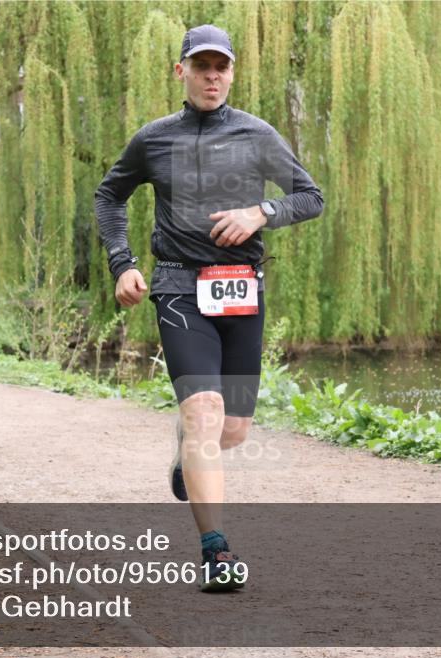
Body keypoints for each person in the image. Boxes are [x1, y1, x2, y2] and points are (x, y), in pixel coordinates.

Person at [95, 25, 323, 591]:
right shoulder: (153, 139)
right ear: (182, 72)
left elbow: (310, 196)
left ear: (233, 73)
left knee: (233, 430)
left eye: (222, 66)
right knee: (204, 414)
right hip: (177, 287)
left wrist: (261, 212)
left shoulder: (257, 134)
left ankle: (185, 453)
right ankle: (216, 552)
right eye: (202, 66)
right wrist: (123, 263)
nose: (212, 76)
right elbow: (109, 197)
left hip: (242, 287)